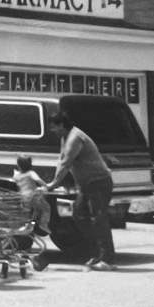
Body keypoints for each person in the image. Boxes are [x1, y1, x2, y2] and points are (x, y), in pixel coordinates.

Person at [42, 112, 116, 271]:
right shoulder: (65, 137)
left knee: (98, 218)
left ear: (61, 124)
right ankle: (97, 252)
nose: (52, 130)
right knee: (79, 215)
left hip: (98, 182)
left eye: (53, 127)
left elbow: (67, 162)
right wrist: (53, 182)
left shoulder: (75, 137)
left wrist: (53, 184)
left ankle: (107, 258)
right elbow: (61, 161)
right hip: (86, 184)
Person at [12, 154, 51, 235]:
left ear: (18, 165)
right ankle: (43, 224)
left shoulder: (16, 175)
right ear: (30, 165)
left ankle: (28, 226)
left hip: (23, 197)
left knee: (31, 211)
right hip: (33, 196)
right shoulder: (30, 173)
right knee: (46, 208)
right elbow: (38, 180)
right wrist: (46, 186)